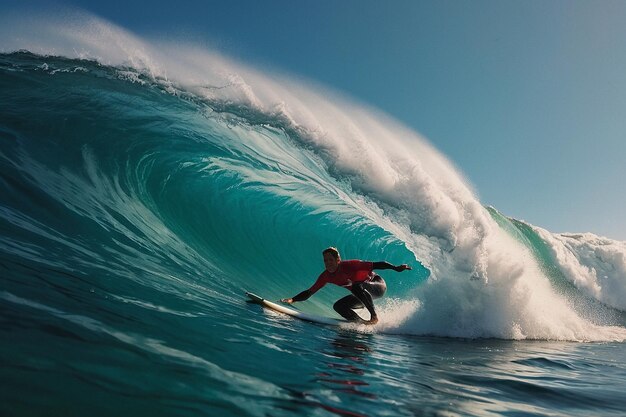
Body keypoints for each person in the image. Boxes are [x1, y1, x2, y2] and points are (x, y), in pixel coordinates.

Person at [281, 247, 411, 325]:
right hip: (362, 293)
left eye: (330, 260)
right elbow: (310, 292)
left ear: (338, 260)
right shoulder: (326, 276)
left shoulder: (350, 265)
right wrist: (293, 299)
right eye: (325, 260)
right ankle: (362, 324)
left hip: (377, 285)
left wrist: (396, 268)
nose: (327, 263)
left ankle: (374, 317)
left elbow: (377, 264)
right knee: (338, 306)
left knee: (356, 286)